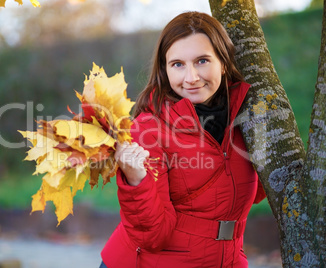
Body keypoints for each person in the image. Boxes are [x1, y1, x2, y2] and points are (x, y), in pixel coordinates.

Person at [100, 11, 266, 268]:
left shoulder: (247, 117)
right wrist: (137, 180)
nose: (191, 78)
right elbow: (152, 236)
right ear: (165, 71)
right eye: (177, 64)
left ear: (223, 62)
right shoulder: (150, 129)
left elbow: (250, 193)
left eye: (201, 61)